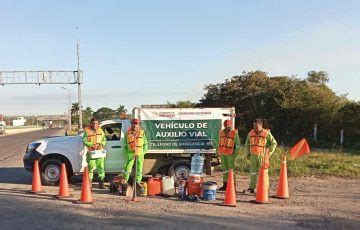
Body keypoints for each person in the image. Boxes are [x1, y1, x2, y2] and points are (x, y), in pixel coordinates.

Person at [243, 118, 277, 194]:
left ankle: (265, 189)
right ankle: (251, 188)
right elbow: (247, 144)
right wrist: (247, 153)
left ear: (261, 125)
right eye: (254, 125)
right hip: (253, 156)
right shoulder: (250, 133)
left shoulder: (266, 133)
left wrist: (269, 153)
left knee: (264, 172)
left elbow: (274, 143)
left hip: (263, 156)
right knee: (253, 172)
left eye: (256, 125)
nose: (255, 127)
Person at [123, 119, 148, 188]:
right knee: (127, 168)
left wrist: (143, 152)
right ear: (131, 124)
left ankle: (137, 182)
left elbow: (145, 143)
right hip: (130, 153)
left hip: (140, 153)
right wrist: (127, 153)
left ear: (138, 125)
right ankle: (125, 181)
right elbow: (125, 144)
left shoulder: (142, 132)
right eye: (133, 124)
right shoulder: (127, 133)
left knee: (139, 169)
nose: (135, 125)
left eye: (136, 124)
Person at [82, 117, 107, 189]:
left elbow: (104, 139)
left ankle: (101, 184)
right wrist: (91, 145)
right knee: (90, 168)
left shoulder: (100, 130)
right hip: (91, 152)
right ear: (91, 123)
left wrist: (102, 145)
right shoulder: (87, 130)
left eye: (96, 123)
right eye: (93, 123)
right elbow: (84, 141)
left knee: (101, 168)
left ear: (98, 123)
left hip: (99, 152)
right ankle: (90, 184)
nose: (95, 125)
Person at [216, 119, 240, 191]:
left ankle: (233, 186)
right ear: (224, 125)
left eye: (228, 125)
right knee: (225, 170)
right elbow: (219, 143)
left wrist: (235, 156)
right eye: (225, 125)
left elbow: (238, 145)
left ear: (231, 125)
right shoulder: (221, 133)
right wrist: (218, 154)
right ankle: (225, 185)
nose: (227, 126)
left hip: (231, 155)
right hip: (223, 154)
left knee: (231, 171)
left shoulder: (234, 133)